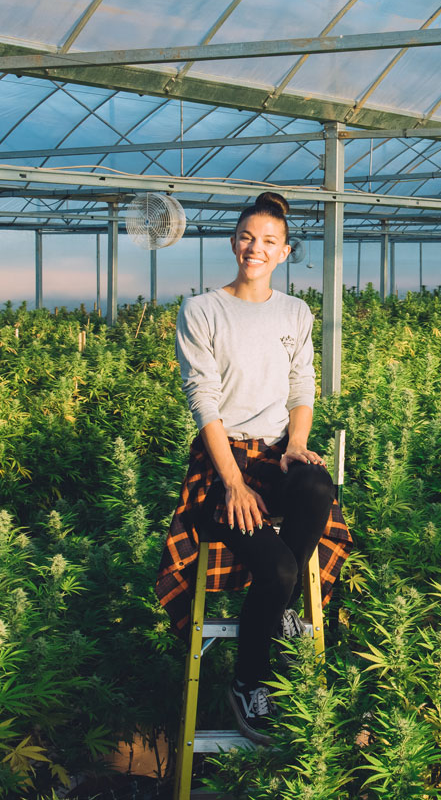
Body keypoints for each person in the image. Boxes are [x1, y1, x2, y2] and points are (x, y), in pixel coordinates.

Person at [154, 191, 353, 745]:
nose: (254, 248)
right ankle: (248, 680)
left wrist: (297, 443)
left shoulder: (295, 311)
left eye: (268, 241)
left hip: (275, 453)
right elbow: (205, 402)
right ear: (233, 241)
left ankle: (276, 610)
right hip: (224, 464)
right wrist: (234, 482)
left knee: (316, 482)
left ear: (284, 252)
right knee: (282, 570)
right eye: (246, 237)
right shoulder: (202, 310)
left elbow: (301, 385)